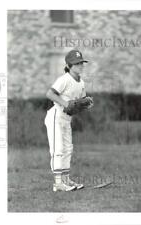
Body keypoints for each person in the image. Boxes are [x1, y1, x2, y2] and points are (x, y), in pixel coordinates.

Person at [44, 49, 93, 192]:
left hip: (66, 119)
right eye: (77, 63)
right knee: (58, 149)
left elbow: (78, 103)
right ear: (69, 65)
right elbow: (50, 94)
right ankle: (58, 183)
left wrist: (86, 104)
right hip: (56, 116)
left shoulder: (81, 82)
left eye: (81, 63)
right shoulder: (64, 79)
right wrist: (65, 103)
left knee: (68, 149)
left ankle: (66, 180)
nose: (80, 65)